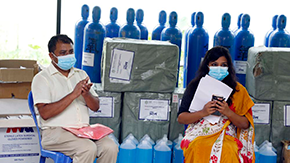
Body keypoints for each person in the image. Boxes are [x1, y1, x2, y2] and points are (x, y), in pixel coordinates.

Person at [31, 34, 119, 163]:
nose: (68, 56)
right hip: (55, 132)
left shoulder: (81, 74)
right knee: (87, 148)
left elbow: (95, 107)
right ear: (51, 56)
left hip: (83, 131)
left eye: (70, 52)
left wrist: (86, 94)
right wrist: (73, 94)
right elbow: (44, 113)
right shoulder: (42, 78)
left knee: (110, 147)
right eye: (63, 53)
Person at [178, 46, 255, 163]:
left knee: (229, 150)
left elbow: (245, 125)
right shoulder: (195, 86)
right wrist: (203, 112)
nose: (219, 68)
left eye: (223, 65)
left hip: (226, 134)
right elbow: (181, 118)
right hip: (199, 133)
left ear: (229, 67)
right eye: (214, 64)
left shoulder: (238, 90)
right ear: (207, 66)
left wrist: (228, 112)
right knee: (197, 146)